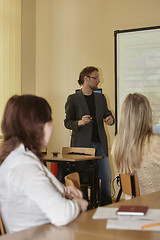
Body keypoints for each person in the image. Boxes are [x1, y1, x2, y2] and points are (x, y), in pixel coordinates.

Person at [0, 94, 88, 234]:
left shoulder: (19, 157)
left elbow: (39, 188)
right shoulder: (24, 166)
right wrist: (77, 204)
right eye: (50, 120)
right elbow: (62, 214)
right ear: (39, 126)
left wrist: (65, 190)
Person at [63, 66, 114, 206]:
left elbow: (108, 114)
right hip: (81, 147)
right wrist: (79, 122)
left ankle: (105, 207)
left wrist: (111, 119)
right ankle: (84, 207)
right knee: (82, 179)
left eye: (98, 78)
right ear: (86, 79)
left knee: (106, 176)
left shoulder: (100, 97)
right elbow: (67, 122)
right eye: (96, 78)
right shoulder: (73, 99)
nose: (99, 80)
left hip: (99, 144)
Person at [111, 93, 160, 195]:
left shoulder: (117, 144)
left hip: (134, 204)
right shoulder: (153, 142)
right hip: (155, 203)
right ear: (147, 114)